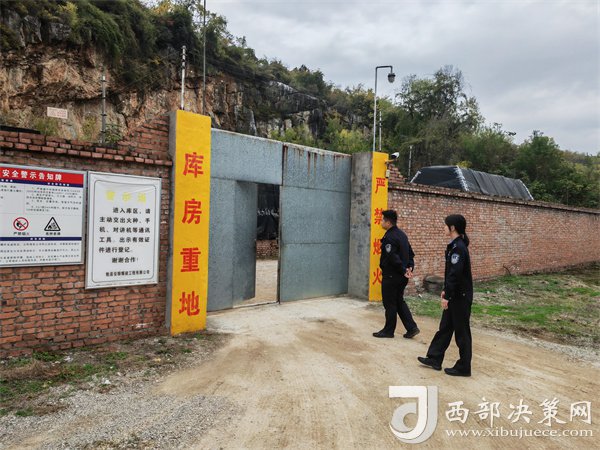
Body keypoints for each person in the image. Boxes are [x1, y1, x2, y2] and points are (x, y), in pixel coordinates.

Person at [418, 214, 473, 377]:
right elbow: (451, 274)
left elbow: (455, 274)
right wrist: (445, 290)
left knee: (462, 332)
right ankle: (434, 358)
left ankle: (464, 367)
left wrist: (447, 296)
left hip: (460, 297)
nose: (443, 227)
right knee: (445, 328)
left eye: (445, 225)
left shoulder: (458, 248)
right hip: (455, 293)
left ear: (452, 227)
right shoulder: (455, 246)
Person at [373, 210, 420, 339]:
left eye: (382, 220)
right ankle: (412, 328)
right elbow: (410, 254)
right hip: (401, 276)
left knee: (390, 303)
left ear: (388, 222)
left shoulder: (390, 237)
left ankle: (388, 331)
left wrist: (404, 269)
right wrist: (409, 267)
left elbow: (392, 257)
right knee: (399, 301)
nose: (381, 222)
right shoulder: (402, 235)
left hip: (392, 276)